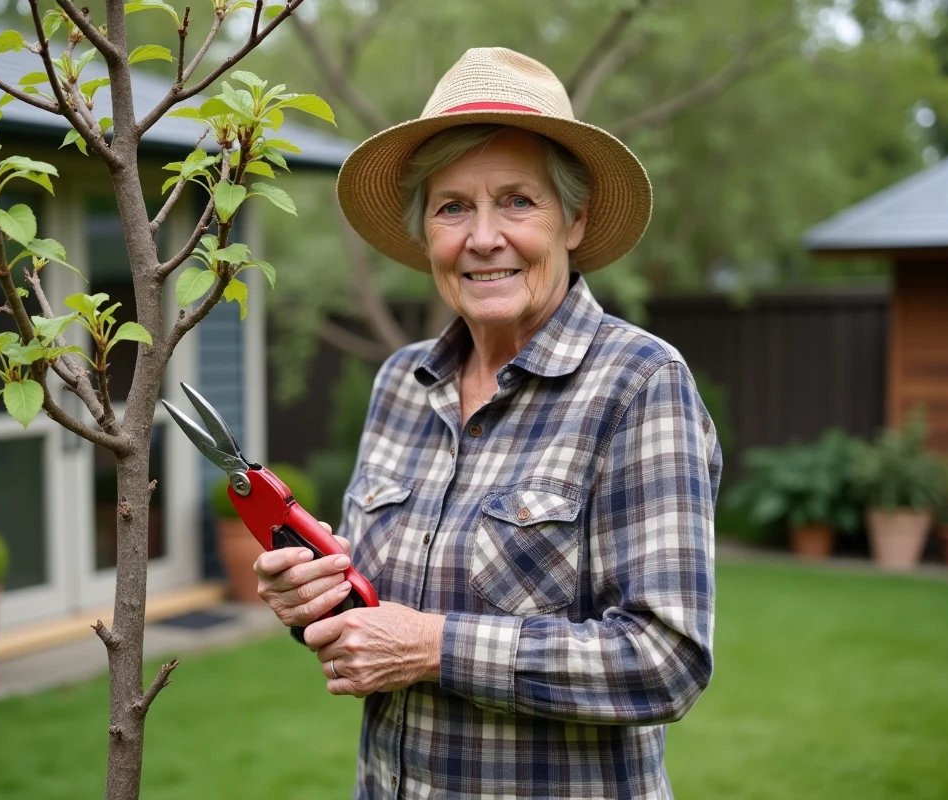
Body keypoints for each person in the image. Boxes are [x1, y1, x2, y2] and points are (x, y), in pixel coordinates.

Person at [255, 46, 722, 799]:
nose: (482, 237)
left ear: (574, 220)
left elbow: (665, 660)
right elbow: (376, 618)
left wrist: (435, 649)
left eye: (516, 200)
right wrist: (313, 600)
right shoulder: (402, 383)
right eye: (453, 207)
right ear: (426, 234)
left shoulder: (639, 385)